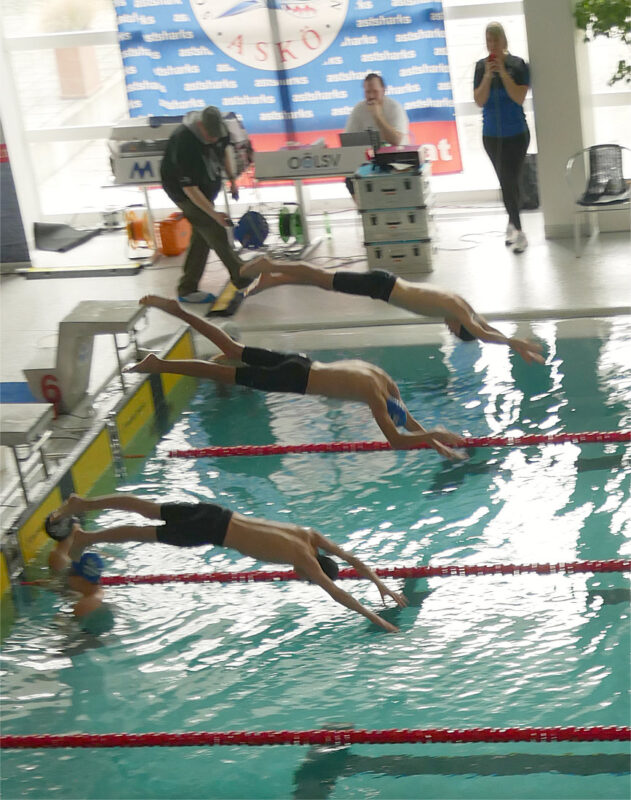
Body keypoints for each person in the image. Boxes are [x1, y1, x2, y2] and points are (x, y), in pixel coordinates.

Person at [125, 296, 467, 457]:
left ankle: (179, 311)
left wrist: (434, 442)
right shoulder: (375, 398)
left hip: (300, 362)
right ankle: (160, 365)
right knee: (220, 373)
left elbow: (406, 421)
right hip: (295, 381)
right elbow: (396, 439)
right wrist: (434, 434)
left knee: (230, 348)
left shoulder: (382, 379)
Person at [47, 493, 408, 633]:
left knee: (146, 509)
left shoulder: (309, 536)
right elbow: (337, 594)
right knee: (144, 533)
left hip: (216, 513)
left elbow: (349, 557)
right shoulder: (304, 560)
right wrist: (375, 618)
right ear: (312, 572)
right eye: (306, 578)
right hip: (212, 531)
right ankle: (87, 538)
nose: (300, 577)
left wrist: (380, 582)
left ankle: (83, 504)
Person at [241, 260, 544, 365]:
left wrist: (512, 343)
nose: (449, 329)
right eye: (453, 331)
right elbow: (482, 333)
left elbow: (483, 327)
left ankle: (273, 280)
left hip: (383, 285)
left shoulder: (464, 307)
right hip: (381, 285)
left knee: (323, 282)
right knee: (323, 278)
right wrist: (513, 343)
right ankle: (271, 265)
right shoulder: (457, 311)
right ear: (459, 326)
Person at [160, 106, 253, 302]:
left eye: (216, 135)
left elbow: (224, 152)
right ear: (200, 125)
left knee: (202, 237)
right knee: (213, 227)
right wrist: (214, 214)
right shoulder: (184, 141)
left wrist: (232, 179)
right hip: (183, 193)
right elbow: (190, 189)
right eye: (210, 135)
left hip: (204, 187)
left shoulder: (219, 130)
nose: (213, 139)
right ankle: (242, 276)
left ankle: (187, 288)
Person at [473, 22, 531, 253]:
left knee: (511, 181)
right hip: (492, 136)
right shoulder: (481, 67)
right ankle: (515, 226)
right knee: (506, 181)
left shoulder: (518, 65)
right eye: (488, 40)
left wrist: (504, 73)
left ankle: (517, 230)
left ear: (504, 41)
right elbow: (479, 100)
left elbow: (519, 97)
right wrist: (488, 76)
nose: (492, 45)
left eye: (495, 40)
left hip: (517, 134)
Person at [344, 73, 410, 199]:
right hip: (370, 160)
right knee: (350, 180)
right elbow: (348, 140)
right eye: (367, 92)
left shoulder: (394, 107)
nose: (371, 96)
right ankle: (364, 209)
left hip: (397, 159)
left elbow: (396, 140)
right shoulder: (359, 109)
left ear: (383, 90)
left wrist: (377, 116)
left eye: (375, 92)